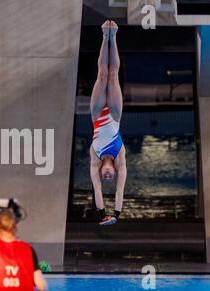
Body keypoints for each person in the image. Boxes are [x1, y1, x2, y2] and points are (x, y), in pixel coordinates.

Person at [90, 21, 127, 226]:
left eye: (103, 177)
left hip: (97, 115)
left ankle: (105, 36)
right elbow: (120, 190)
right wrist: (116, 214)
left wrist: (102, 213)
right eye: (108, 177)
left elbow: (97, 189)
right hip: (114, 115)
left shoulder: (94, 160)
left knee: (101, 74)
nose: (105, 176)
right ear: (113, 172)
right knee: (113, 76)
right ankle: (114, 37)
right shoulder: (120, 157)